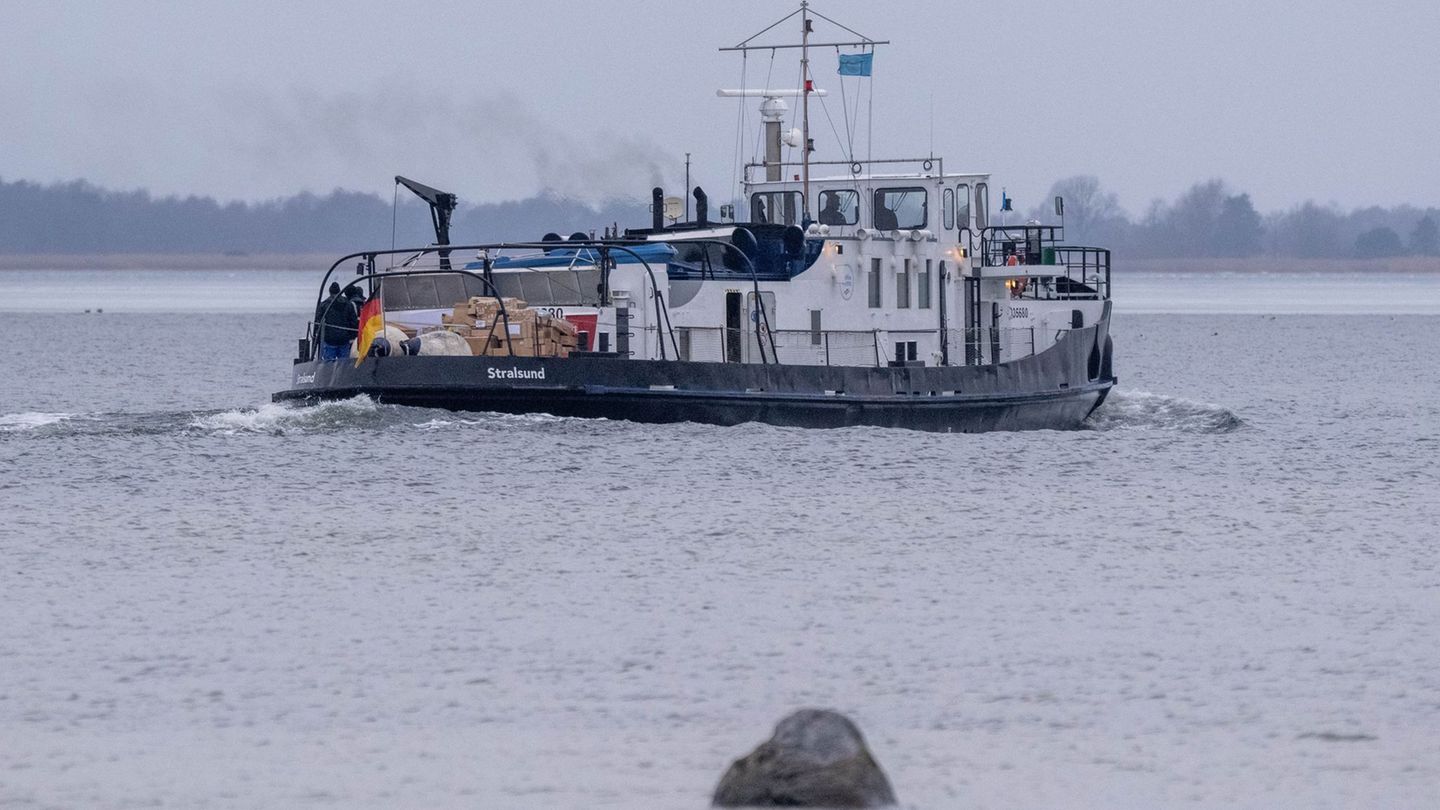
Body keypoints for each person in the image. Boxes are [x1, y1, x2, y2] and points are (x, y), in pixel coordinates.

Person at [317, 283, 361, 360]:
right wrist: (352, 335)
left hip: (329, 339)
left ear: (330, 292)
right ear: (339, 291)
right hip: (344, 339)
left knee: (328, 364)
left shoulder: (324, 305)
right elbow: (353, 321)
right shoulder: (348, 304)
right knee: (344, 364)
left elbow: (318, 322)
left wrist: (318, 336)